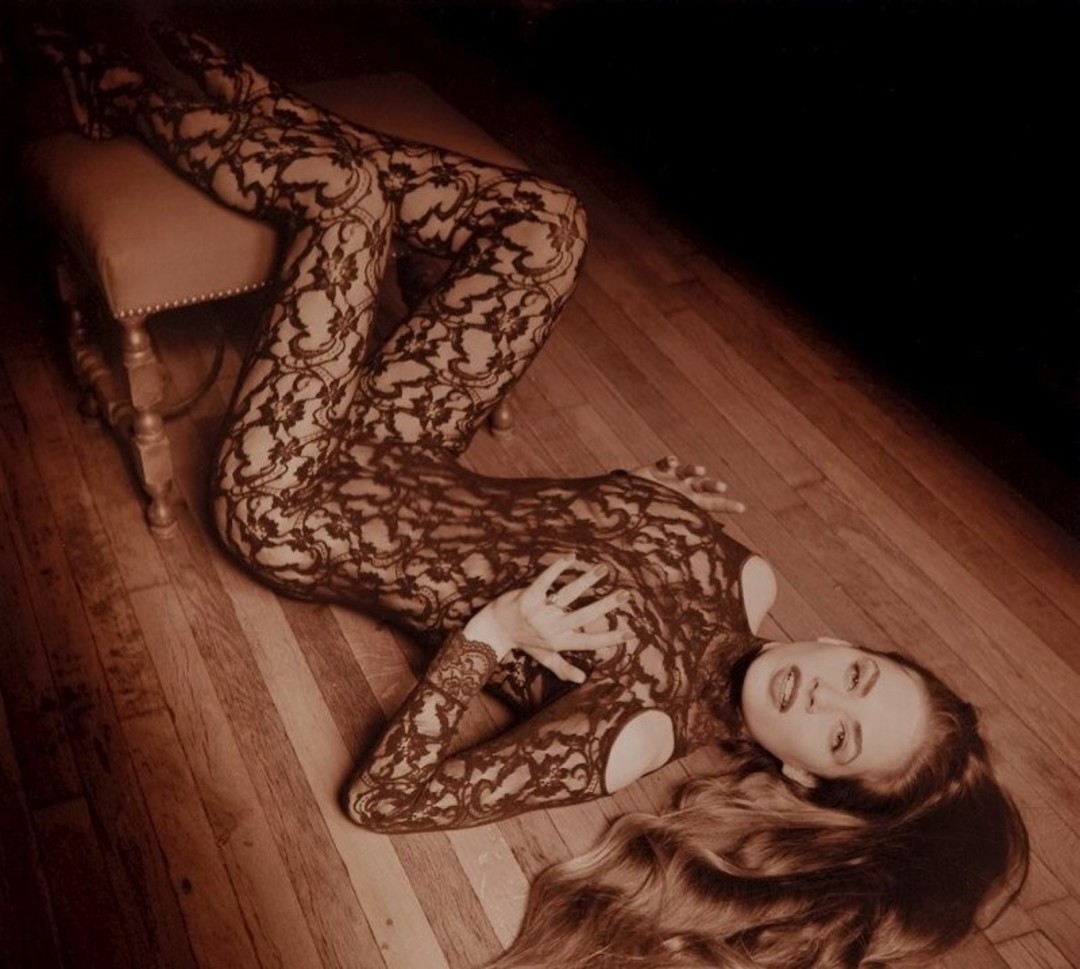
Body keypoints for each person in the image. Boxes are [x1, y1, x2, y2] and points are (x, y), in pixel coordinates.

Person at [34, 22, 1028, 969]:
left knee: (348, 204)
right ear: (851, 645)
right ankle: (280, 122)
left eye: (841, 735)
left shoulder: (639, 728)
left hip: (294, 502)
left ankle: (129, 96)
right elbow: (549, 520)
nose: (821, 693)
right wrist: (626, 497)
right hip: (401, 450)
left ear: (806, 778)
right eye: (857, 675)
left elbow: (387, 798)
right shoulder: (743, 577)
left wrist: (493, 633)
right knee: (550, 223)